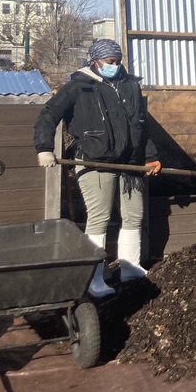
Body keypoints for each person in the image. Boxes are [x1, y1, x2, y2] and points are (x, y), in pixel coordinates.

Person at [34, 39, 161, 298]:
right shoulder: (78, 87)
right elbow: (48, 116)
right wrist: (45, 148)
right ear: (95, 60)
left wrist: (150, 156)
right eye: (110, 62)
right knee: (100, 217)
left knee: (134, 215)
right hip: (94, 161)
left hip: (129, 164)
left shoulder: (129, 86)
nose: (115, 66)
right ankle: (95, 278)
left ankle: (130, 268)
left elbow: (141, 124)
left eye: (118, 61)